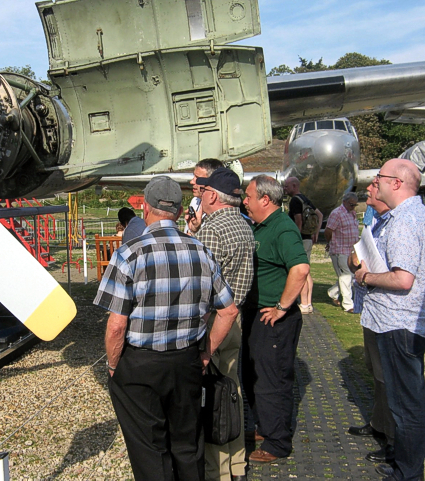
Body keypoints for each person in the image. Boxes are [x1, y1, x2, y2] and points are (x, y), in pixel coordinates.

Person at [95, 176, 239, 481]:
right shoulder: (201, 251)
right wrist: (205, 353)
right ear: (178, 210)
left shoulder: (128, 253)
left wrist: (112, 364)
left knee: (150, 452)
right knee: (188, 446)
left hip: (140, 364)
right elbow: (228, 310)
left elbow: (117, 325)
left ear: (145, 208)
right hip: (186, 360)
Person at [354, 159, 425, 481]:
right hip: (397, 321)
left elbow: (403, 280)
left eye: (380, 178)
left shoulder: (405, 221)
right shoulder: (407, 216)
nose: (374, 183)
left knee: (407, 408)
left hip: (398, 324)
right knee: (404, 404)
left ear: (398, 183)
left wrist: (366, 276)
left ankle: (408, 473)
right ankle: (404, 464)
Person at [241, 175, 310, 463]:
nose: (244, 201)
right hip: (256, 314)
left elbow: (301, 268)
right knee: (253, 375)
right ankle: (263, 426)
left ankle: (278, 443)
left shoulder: (282, 228)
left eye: (248, 196)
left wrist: (282, 307)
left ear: (265, 200)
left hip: (274, 319)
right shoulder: (261, 226)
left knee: (273, 380)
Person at [193, 168, 254, 481]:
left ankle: (217, 471)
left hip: (214, 321)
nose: (198, 194)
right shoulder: (244, 225)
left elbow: (201, 287)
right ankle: (237, 465)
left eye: (202, 189)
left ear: (212, 195)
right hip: (236, 318)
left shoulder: (212, 230)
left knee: (214, 398)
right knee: (232, 392)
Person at [347, 181, 395, 465]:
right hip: (373, 311)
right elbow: (360, 260)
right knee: (373, 370)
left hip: (391, 315)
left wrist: (366, 275)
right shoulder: (374, 221)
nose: (368, 188)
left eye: (376, 184)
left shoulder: (400, 224)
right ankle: (378, 424)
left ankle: (392, 440)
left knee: (388, 377)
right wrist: (356, 263)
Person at [284, 176, 323, 314]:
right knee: (307, 271)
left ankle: (305, 304)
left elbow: (298, 221)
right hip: (307, 239)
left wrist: (295, 239)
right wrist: (315, 232)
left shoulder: (295, 201)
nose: (284, 189)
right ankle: (308, 302)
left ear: (294, 186)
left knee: (301, 271)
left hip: (300, 239)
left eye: (286, 186)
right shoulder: (305, 199)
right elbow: (320, 214)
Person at [324, 193, 360, 312]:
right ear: (344, 202)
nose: (353, 207)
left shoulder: (352, 213)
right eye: (351, 204)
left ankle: (333, 292)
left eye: (355, 205)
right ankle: (348, 304)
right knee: (346, 276)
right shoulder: (337, 213)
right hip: (340, 249)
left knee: (350, 276)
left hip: (351, 250)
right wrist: (330, 243)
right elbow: (329, 230)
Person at [185, 159, 224, 235]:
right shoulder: (195, 201)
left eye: (197, 178)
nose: (192, 182)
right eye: (194, 177)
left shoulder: (220, 210)